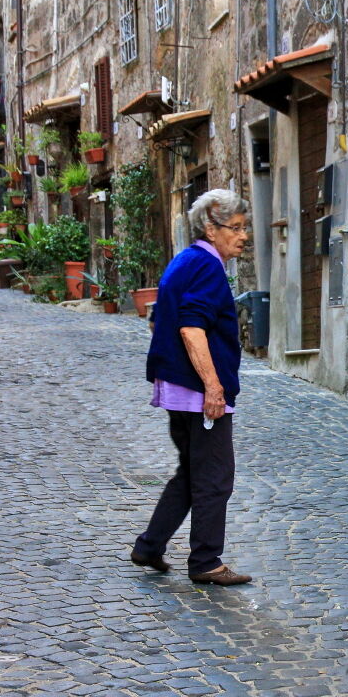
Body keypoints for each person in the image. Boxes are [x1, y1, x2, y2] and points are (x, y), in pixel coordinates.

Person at [130, 189, 253, 586]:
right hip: (197, 392)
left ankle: (150, 546)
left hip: (178, 388)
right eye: (234, 228)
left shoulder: (185, 261)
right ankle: (205, 561)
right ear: (209, 228)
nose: (243, 236)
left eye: (243, 227)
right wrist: (213, 387)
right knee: (216, 477)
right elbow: (190, 327)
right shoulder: (205, 266)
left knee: (191, 472)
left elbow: (159, 322)